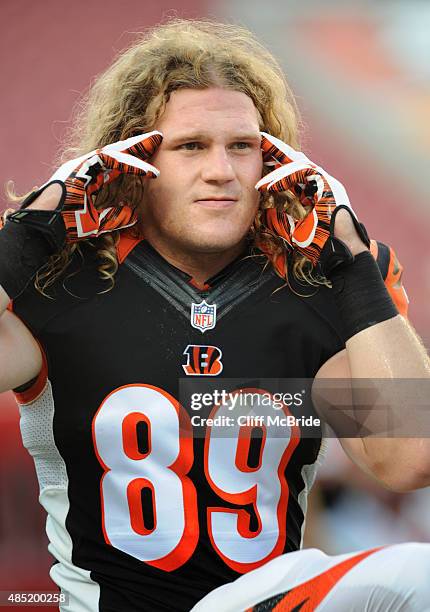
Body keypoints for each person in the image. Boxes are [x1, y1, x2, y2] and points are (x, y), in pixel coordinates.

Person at [0, 18, 429, 612]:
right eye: (189, 146)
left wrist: (352, 263)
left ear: (272, 159)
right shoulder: (62, 279)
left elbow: (410, 456)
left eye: (243, 146)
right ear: (129, 161)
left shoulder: (313, 286)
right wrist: (27, 238)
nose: (222, 171)